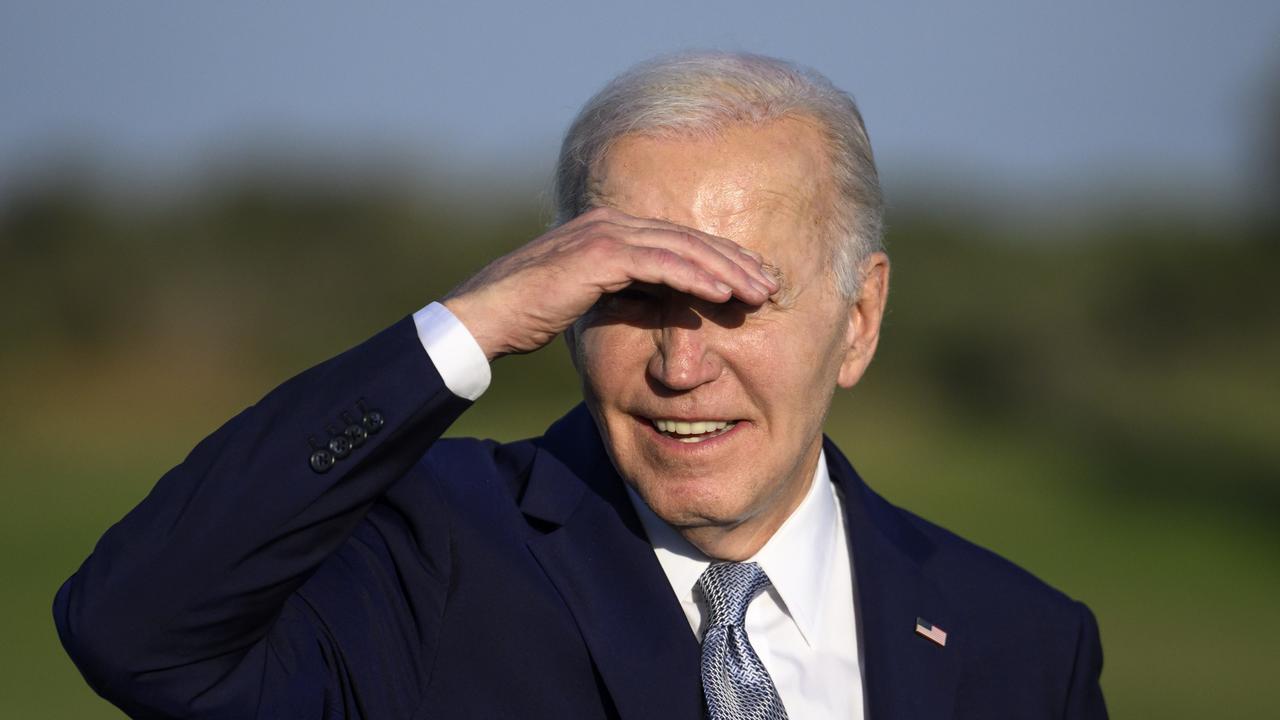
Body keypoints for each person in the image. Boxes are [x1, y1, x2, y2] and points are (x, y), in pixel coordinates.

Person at [54, 52, 1108, 719]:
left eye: (738, 300)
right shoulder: (433, 555)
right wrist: (463, 326)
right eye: (628, 293)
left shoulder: (1017, 641)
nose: (679, 365)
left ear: (858, 318)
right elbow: (136, 634)